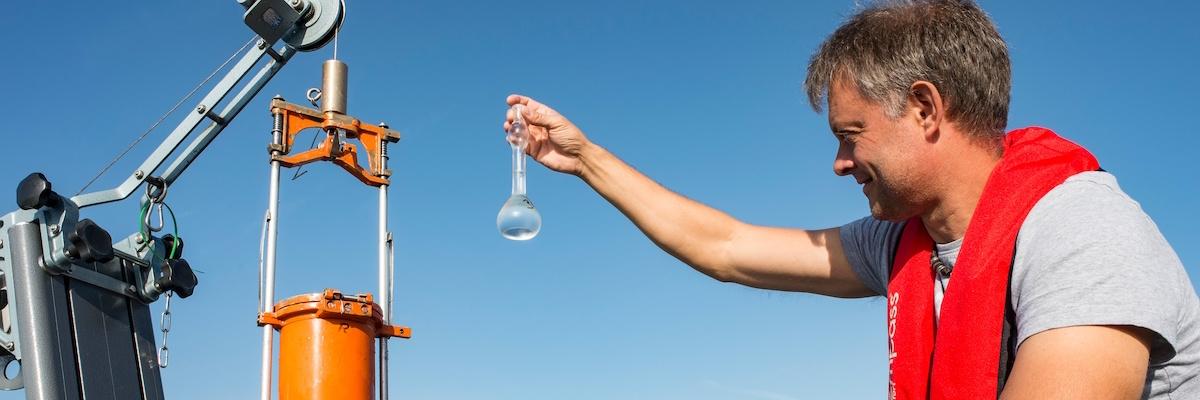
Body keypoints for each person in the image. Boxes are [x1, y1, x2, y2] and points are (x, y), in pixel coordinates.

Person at [501, 0, 1199, 398]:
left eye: (850, 135)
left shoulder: (1082, 232)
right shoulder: (901, 242)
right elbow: (726, 247)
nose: (839, 164)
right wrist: (586, 160)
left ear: (925, 108)